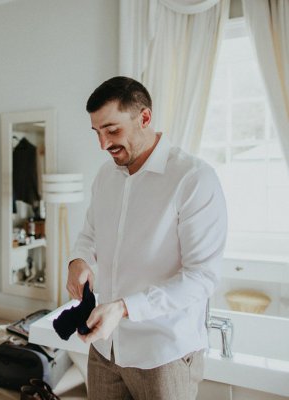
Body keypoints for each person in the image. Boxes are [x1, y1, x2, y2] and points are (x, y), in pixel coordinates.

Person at [67, 76, 227, 400]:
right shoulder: (105, 176)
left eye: (112, 130)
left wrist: (125, 308)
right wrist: (79, 260)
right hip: (104, 347)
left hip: (163, 352)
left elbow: (202, 278)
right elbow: (90, 234)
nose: (103, 145)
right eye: (97, 133)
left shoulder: (193, 179)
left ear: (144, 118)